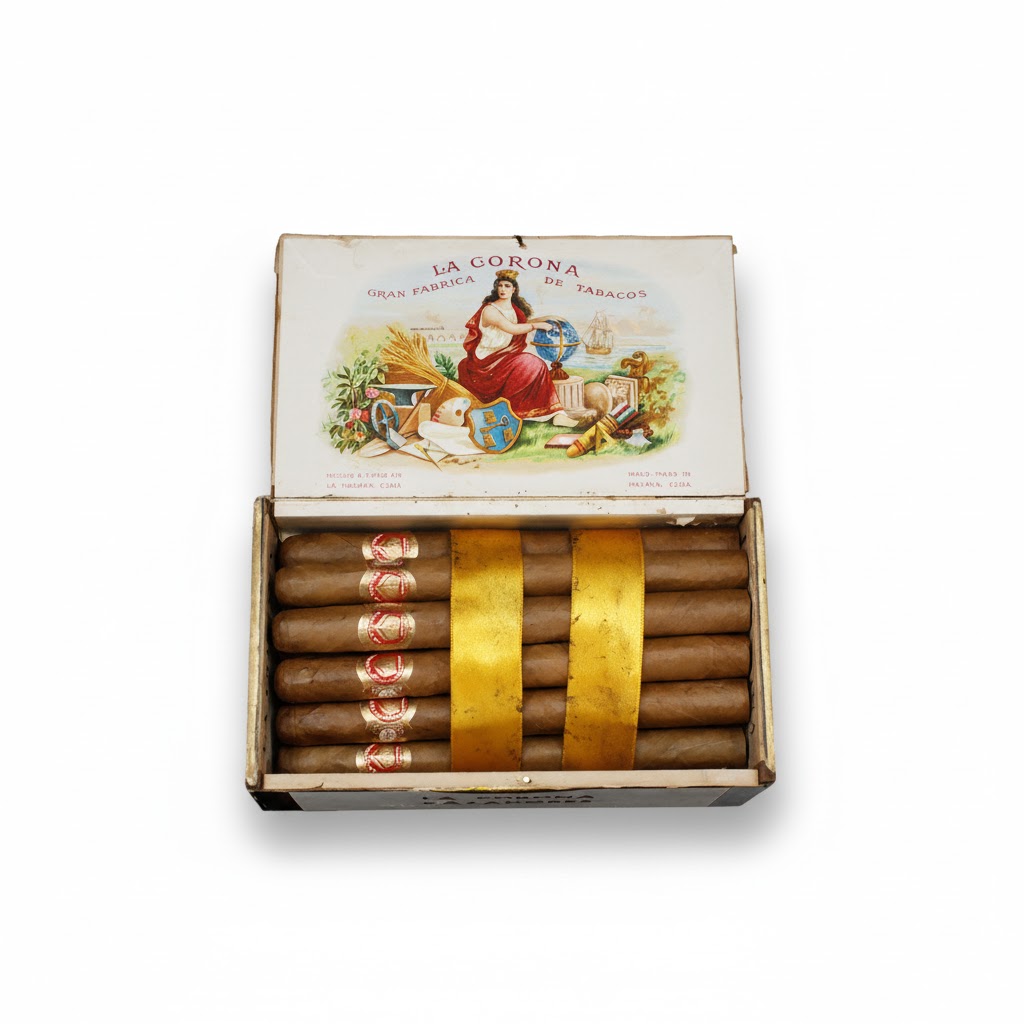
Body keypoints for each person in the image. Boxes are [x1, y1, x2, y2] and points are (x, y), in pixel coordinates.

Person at [458, 270, 565, 420]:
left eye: (507, 286)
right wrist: (537, 326)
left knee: (534, 365)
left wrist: (547, 318)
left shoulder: (514, 309)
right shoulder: (490, 310)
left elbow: (522, 324)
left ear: (514, 289)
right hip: (487, 361)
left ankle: (548, 413)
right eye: (500, 285)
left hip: (505, 355)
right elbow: (512, 328)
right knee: (533, 363)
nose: (502, 289)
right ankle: (520, 411)